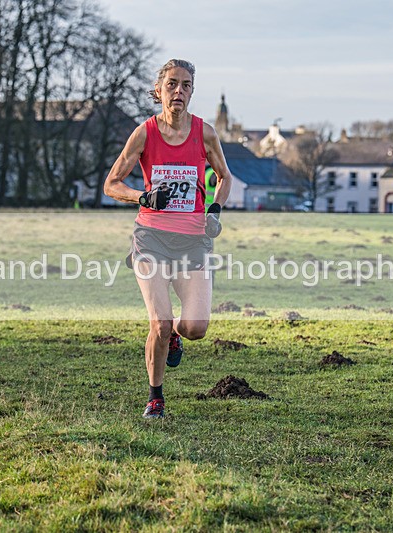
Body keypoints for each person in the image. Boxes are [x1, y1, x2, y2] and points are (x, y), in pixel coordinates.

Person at [103, 59, 232, 419]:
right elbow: (111, 184)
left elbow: (225, 177)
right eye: (172, 84)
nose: (179, 91)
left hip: (193, 241)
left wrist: (214, 212)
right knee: (158, 322)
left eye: (186, 85)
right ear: (159, 90)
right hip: (152, 238)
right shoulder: (145, 133)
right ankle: (155, 397)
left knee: (196, 328)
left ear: (192, 92)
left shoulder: (205, 133)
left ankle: (176, 333)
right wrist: (143, 197)